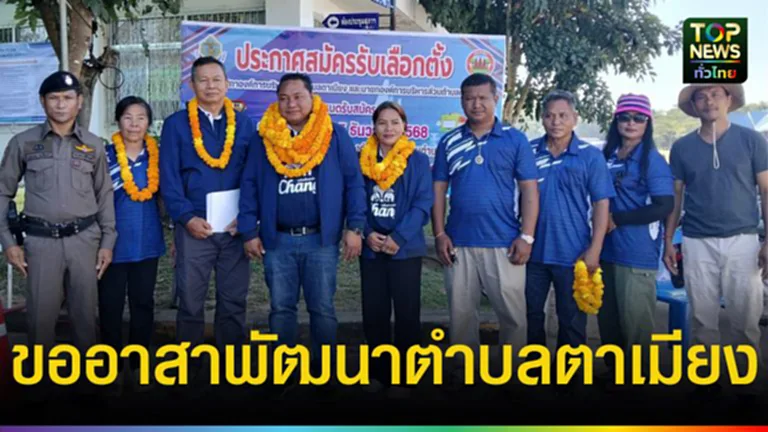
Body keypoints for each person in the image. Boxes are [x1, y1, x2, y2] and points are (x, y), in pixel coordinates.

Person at [238, 73, 366, 389]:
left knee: (322, 309)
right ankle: (284, 372)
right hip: (278, 241)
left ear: (312, 98)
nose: (291, 104)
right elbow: (249, 184)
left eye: (297, 97)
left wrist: (355, 226)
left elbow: (354, 183)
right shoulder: (264, 138)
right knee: (281, 309)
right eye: (283, 98)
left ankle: (324, 374)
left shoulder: (334, 134)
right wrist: (248, 231)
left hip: (320, 240)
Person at [0, 71, 116, 393]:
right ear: (43, 102)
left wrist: (107, 241)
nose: (61, 104)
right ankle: (41, 389)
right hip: (41, 243)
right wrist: (8, 242)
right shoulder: (23, 143)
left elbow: (104, 194)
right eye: (54, 98)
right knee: (40, 319)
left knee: (84, 318)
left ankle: (88, 387)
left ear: (79, 102)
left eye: (67, 98)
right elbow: (3, 192)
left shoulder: (93, 144)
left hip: (84, 241)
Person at [431, 73, 540, 383]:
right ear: (461, 101)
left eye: (482, 98)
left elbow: (530, 191)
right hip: (459, 243)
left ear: (496, 98)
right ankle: (465, 373)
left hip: (505, 243)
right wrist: (439, 234)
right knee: (461, 315)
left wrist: (527, 236)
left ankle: (513, 375)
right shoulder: (449, 141)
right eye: (469, 98)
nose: (476, 104)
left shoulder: (515, 140)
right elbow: (438, 190)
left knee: (513, 316)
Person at [663, 84, 768, 401]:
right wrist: (668, 241)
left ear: (729, 100)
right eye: (701, 96)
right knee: (701, 316)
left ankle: (746, 383)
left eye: (715, 95)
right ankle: (705, 381)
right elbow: (675, 198)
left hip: (743, 239)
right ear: (694, 105)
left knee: (745, 317)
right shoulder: (682, 148)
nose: (709, 101)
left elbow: (766, 190)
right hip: (696, 240)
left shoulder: (751, 140)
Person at [159, 56, 255, 378]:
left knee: (234, 300)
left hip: (234, 230)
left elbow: (253, 175)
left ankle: (232, 366)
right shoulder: (176, 125)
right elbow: (169, 178)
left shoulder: (244, 124)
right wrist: (186, 218)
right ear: (191, 85)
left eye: (216, 79)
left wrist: (246, 218)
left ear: (227, 84)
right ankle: (189, 367)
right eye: (203, 80)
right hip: (195, 228)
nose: (210, 86)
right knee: (190, 301)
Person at [526, 90, 614, 383]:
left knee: (572, 321)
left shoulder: (590, 156)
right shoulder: (528, 152)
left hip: (574, 253)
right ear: (542, 118)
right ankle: (534, 374)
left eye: (563, 115)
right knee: (531, 316)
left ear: (575, 118)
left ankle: (570, 379)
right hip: (532, 253)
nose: (556, 121)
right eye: (549, 115)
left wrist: (595, 249)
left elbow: (601, 204)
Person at [357, 101, 433, 397]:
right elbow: (354, 199)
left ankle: (405, 378)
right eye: (382, 122)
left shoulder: (417, 160)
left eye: (395, 122)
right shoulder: (362, 158)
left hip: (405, 249)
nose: (388, 128)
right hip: (372, 249)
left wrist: (399, 237)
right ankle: (378, 373)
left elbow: (423, 202)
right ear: (374, 127)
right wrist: (366, 233)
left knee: (407, 314)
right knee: (374, 313)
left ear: (404, 127)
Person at [597, 94, 674, 385]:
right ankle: (616, 375)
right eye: (625, 117)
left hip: (636, 253)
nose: (631, 123)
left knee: (636, 323)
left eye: (638, 118)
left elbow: (664, 205)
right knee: (609, 320)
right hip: (605, 251)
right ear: (616, 121)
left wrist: (617, 219)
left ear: (647, 122)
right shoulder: (607, 155)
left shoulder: (651, 160)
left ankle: (639, 382)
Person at [98, 96, 166, 394]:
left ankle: (138, 367)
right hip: (111, 246)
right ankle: (110, 369)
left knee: (143, 305)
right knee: (110, 306)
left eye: (141, 118)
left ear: (149, 123)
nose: (134, 124)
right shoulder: (104, 157)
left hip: (147, 243)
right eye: (128, 117)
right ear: (118, 121)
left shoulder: (158, 157)